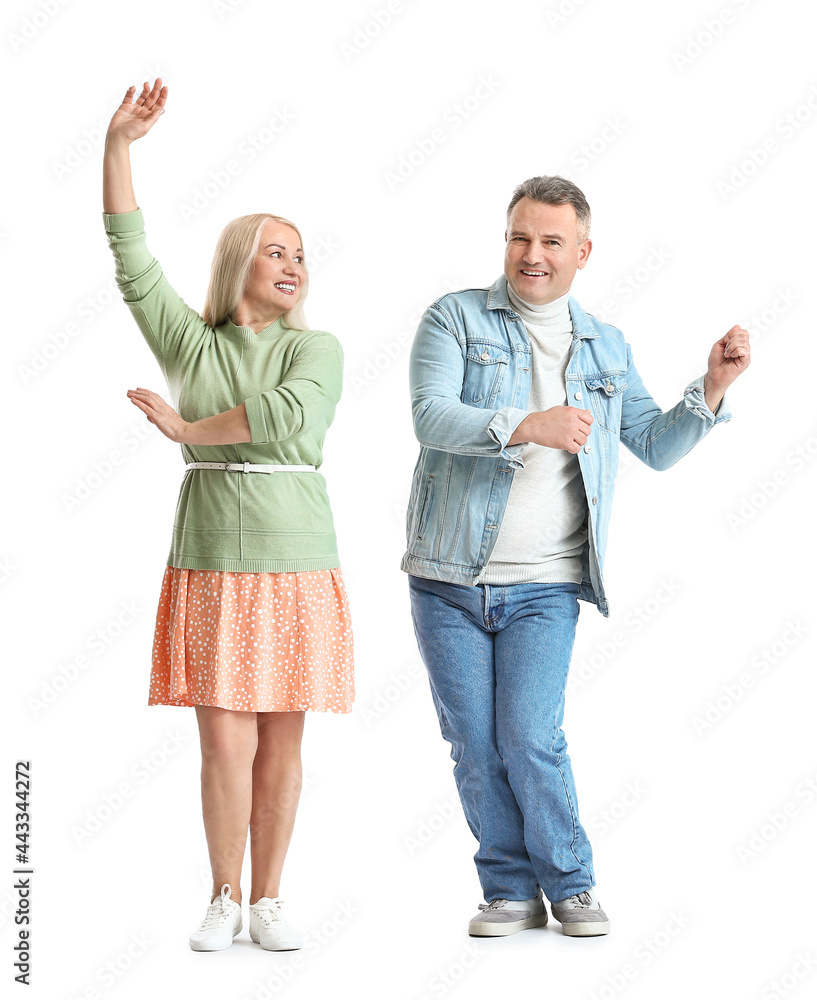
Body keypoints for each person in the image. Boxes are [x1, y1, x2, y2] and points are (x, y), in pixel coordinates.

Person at [401, 174, 750, 938]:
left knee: (529, 736)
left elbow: (653, 445)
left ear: (581, 251)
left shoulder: (605, 345)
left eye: (550, 241)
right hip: (446, 576)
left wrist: (711, 389)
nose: (531, 254)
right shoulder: (454, 318)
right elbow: (431, 417)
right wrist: (528, 425)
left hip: (546, 584)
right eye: (519, 237)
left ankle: (569, 882)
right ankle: (506, 889)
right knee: (473, 744)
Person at [102, 79, 354, 952]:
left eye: (301, 254)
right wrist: (118, 148)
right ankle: (221, 894)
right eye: (275, 251)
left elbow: (283, 418)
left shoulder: (316, 348)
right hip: (211, 553)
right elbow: (132, 260)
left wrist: (183, 429)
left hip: (296, 558)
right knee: (223, 745)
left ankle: (271, 900)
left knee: (284, 740)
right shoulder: (190, 344)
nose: (293, 265)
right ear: (238, 263)